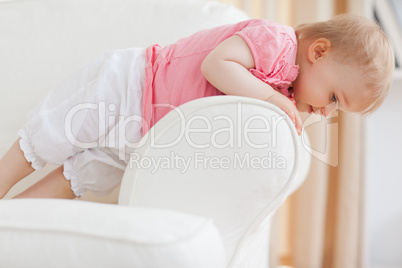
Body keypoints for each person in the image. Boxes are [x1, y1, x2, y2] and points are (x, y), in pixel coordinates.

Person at [0, 14, 394, 199]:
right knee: (51, 136)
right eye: (333, 100)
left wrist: (294, 111)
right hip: (132, 84)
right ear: (319, 51)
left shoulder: (289, 94)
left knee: (79, 178)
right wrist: (274, 99)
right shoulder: (277, 43)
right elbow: (215, 64)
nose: (325, 112)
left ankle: (16, 223)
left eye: (336, 111)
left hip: (145, 137)